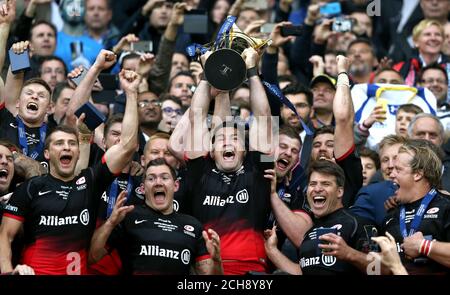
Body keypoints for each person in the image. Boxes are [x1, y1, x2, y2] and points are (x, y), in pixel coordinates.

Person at [0, 69, 141, 275]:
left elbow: (127, 146)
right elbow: (5, 235)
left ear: (78, 150)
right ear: (47, 153)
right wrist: (6, 271)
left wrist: (131, 93)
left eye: (71, 144)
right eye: (59, 143)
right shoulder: (31, 187)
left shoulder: (90, 182)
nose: (66, 148)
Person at [172, 47, 273, 275]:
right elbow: (196, 117)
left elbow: (265, 117)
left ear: (245, 150)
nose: (228, 142)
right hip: (205, 271)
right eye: (221, 139)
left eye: (235, 138)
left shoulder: (258, 172)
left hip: (252, 272)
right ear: (211, 149)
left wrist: (252, 70)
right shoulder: (200, 172)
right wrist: (208, 73)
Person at [88, 158, 223, 274]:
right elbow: (93, 256)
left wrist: (217, 261)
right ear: (142, 188)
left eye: (164, 177)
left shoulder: (193, 226)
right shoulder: (128, 216)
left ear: (176, 186)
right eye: (151, 178)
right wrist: (110, 223)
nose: (158, 182)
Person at [264, 160, 374, 275]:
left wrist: (349, 253)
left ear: (340, 191)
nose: (317, 189)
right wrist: (272, 250)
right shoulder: (308, 234)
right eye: (313, 184)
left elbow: (380, 269)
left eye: (325, 184)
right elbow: (302, 272)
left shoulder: (360, 224)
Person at [382, 139, 450, 274]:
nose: (391, 174)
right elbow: (377, 269)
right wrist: (350, 254)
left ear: (418, 174)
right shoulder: (390, 216)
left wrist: (423, 246)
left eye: (398, 169)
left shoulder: (446, 207)